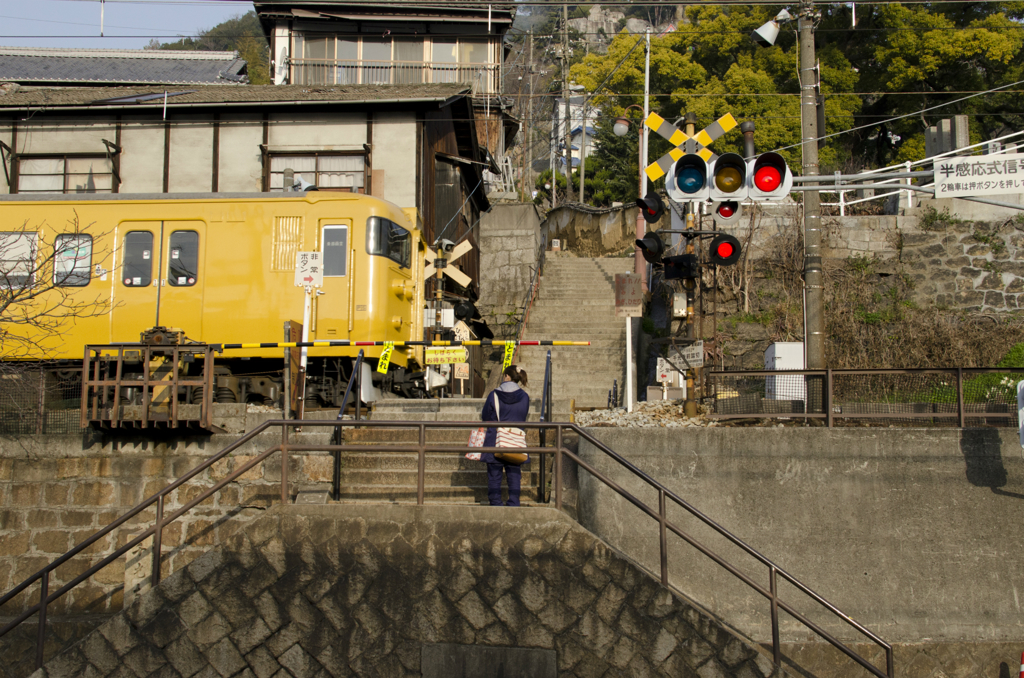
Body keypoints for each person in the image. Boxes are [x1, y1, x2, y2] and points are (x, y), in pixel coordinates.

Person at [479, 365, 530, 506]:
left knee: (494, 473)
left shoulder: (494, 395)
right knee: (514, 473)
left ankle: (495, 503)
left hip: (495, 438)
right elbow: (523, 416)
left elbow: (485, 416)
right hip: (515, 439)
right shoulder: (525, 397)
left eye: (504, 375)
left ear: (507, 376)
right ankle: (514, 502)